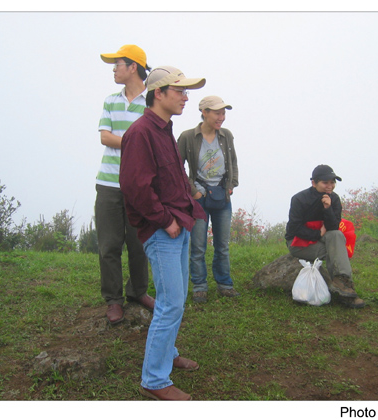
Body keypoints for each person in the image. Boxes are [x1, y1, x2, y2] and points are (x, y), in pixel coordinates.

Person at [120, 66, 207, 401]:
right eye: (180, 91)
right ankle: (154, 380)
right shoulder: (141, 132)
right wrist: (165, 220)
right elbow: (134, 187)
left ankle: (167, 354)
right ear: (159, 93)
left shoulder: (164, 130)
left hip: (178, 224)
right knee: (170, 303)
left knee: (176, 298)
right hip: (162, 229)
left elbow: (169, 178)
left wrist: (188, 207)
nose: (186, 97)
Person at [95, 45, 156, 325]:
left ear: (133, 66)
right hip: (107, 183)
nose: (114, 69)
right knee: (109, 245)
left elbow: (153, 143)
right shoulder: (110, 100)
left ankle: (138, 292)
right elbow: (105, 138)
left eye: (117, 63)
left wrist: (130, 143)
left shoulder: (151, 104)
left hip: (139, 185)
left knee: (139, 243)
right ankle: (114, 300)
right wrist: (135, 143)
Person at [177, 96, 239, 303]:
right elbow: (176, 168)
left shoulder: (226, 136)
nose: (221, 117)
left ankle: (224, 284)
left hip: (221, 195)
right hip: (198, 198)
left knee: (222, 245)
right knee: (198, 245)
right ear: (204, 112)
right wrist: (193, 190)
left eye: (223, 113)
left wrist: (231, 185)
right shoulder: (187, 137)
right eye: (217, 113)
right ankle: (200, 286)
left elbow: (233, 161)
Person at [285, 165, 365, 309]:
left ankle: (342, 281)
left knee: (337, 235)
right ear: (314, 183)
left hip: (324, 238)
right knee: (336, 252)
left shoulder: (333, 199)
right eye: (325, 182)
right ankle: (345, 293)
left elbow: (334, 226)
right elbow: (293, 229)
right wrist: (318, 234)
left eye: (332, 182)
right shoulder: (299, 199)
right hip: (298, 243)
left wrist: (327, 208)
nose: (330, 186)